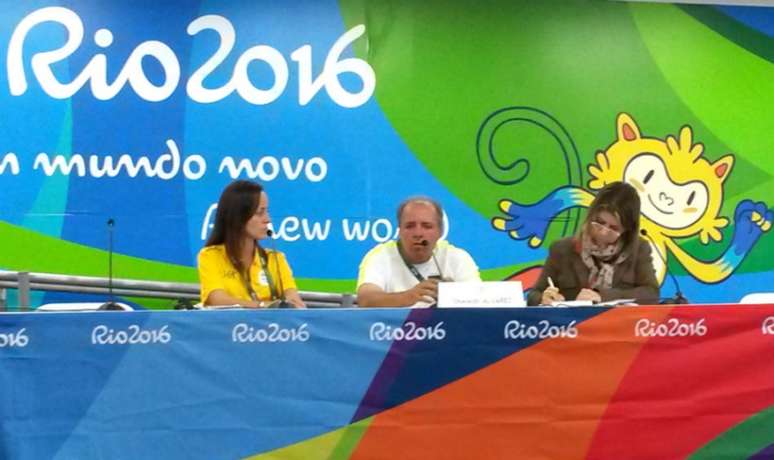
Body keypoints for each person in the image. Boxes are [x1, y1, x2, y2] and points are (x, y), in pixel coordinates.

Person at [528, 181, 659, 306]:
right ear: (591, 215)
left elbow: (651, 294)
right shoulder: (562, 249)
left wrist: (602, 297)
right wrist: (543, 298)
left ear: (627, 229)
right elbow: (533, 295)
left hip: (620, 326)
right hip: (571, 327)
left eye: (613, 228)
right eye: (599, 222)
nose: (603, 232)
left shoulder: (639, 249)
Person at [198, 180, 305, 308]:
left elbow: (294, 300)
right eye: (260, 213)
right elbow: (217, 300)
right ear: (238, 216)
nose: (268, 219)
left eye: (267, 211)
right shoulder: (210, 256)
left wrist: (291, 304)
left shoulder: (275, 258)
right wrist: (263, 306)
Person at [357, 197, 481, 307]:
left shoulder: (457, 257)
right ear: (400, 231)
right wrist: (408, 297)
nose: (418, 234)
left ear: (440, 232)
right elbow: (366, 299)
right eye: (410, 226)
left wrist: (454, 295)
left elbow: (479, 300)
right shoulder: (380, 255)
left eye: (427, 226)